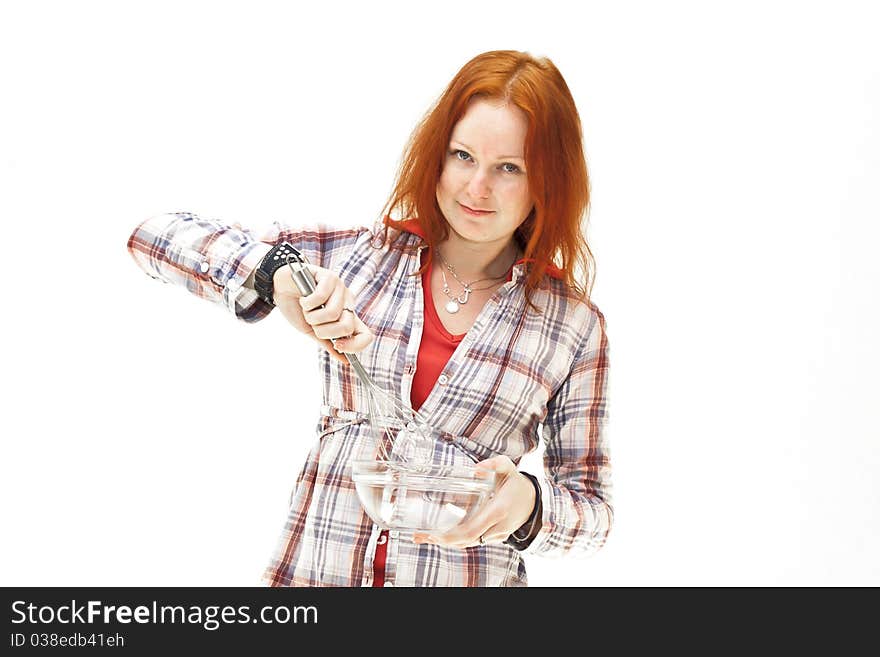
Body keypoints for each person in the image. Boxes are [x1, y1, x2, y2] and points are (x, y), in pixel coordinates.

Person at [127, 49, 612, 587]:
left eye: (509, 168)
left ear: (548, 181)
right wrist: (275, 274)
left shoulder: (573, 326)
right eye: (462, 156)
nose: (477, 188)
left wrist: (531, 505)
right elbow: (153, 236)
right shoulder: (358, 257)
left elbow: (593, 513)